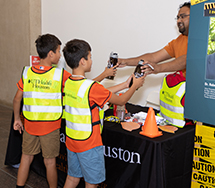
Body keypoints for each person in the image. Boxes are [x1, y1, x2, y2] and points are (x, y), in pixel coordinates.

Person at [62, 39, 145, 188]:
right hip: (89, 144)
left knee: (72, 178)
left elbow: (99, 93)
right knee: (92, 183)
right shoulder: (91, 87)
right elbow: (120, 101)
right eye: (90, 57)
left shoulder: (69, 82)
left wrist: (126, 85)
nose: (92, 60)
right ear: (82, 61)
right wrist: (134, 87)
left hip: (72, 140)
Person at [117, 2, 193, 127]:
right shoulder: (178, 41)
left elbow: (186, 60)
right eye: (177, 17)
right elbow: (153, 57)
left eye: (183, 16)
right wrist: (125, 61)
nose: (179, 20)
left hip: (197, 103)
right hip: (180, 107)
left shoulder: (202, 40)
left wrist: (158, 68)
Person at [13, 34, 71, 188]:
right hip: (50, 127)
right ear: (51, 54)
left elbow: (17, 99)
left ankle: (19, 186)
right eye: (58, 51)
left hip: (30, 125)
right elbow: (81, 86)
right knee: (50, 162)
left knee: (26, 158)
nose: (60, 55)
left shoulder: (27, 72)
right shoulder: (60, 75)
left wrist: (17, 120)